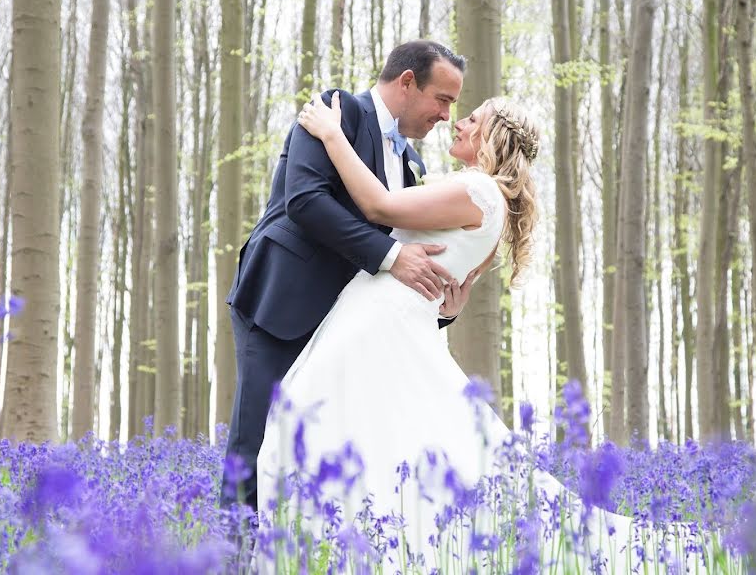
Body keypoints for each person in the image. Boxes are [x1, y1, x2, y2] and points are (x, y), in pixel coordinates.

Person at [256, 93, 709, 572]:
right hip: (392, 323)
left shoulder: (478, 190)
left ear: (491, 137)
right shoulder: (491, 203)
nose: (456, 123)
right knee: (368, 439)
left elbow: (379, 206)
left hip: (378, 323)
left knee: (305, 421)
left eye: (470, 119)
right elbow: (453, 290)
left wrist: (330, 132)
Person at [220, 40, 479, 511]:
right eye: (442, 99)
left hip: (349, 331)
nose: (446, 115)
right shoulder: (335, 112)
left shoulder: (412, 164)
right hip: (284, 305)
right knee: (257, 445)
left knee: (325, 456)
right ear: (407, 83)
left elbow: (405, 259)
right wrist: (391, 255)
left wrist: (441, 311)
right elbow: (304, 201)